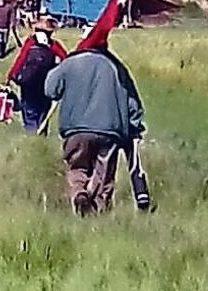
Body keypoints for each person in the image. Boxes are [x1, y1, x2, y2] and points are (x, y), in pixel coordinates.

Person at [44, 44, 145, 216]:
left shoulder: (70, 63)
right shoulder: (116, 66)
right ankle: (99, 215)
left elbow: (50, 90)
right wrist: (135, 127)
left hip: (75, 130)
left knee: (77, 168)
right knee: (103, 176)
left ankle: (79, 194)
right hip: (110, 131)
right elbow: (133, 103)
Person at [9, 14, 67, 133]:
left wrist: (11, 75)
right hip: (46, 83)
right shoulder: (54, 45)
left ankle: (31, 135)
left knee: (29, 111)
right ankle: (40, 134)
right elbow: (66, 59)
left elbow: (21, 59)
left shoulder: (30, 43)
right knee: (43, 111)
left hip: (28, 83)